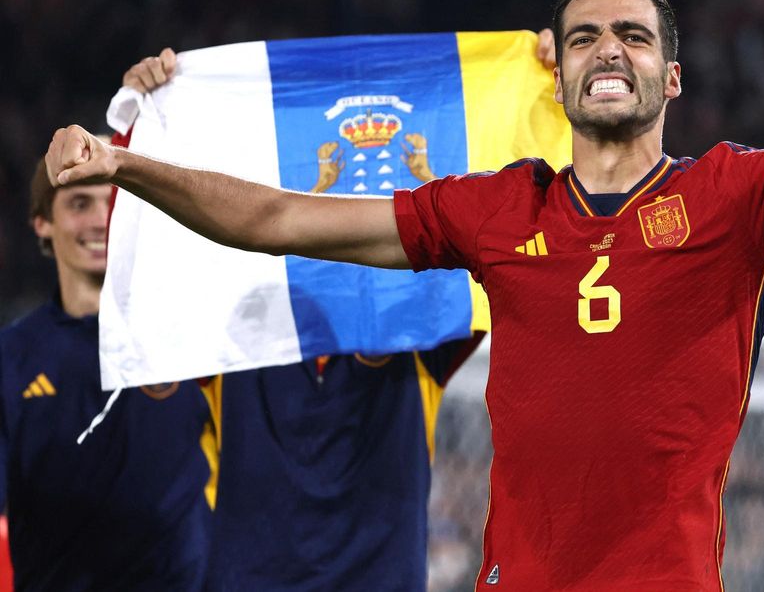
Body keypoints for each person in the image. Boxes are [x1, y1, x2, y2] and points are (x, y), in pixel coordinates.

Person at [46, 0, 764, 590]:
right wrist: (127, 162)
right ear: (555, 75)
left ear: (671, 78)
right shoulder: (496, 207)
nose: (611, 50)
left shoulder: (737, 197)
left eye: (635, 36)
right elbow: (279, 217)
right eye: (587, 37)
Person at [118, 52, 490, 592]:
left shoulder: (416, 344)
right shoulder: (228, 349)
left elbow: (484, 249)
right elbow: (158, 252)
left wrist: (542, 87)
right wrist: (142, 122)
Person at [0, 158, 212, 591]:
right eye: (80, 203)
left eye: (115, 203)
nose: (101, 221)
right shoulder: (11, 357)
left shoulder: (196, 339)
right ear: (42, 222)